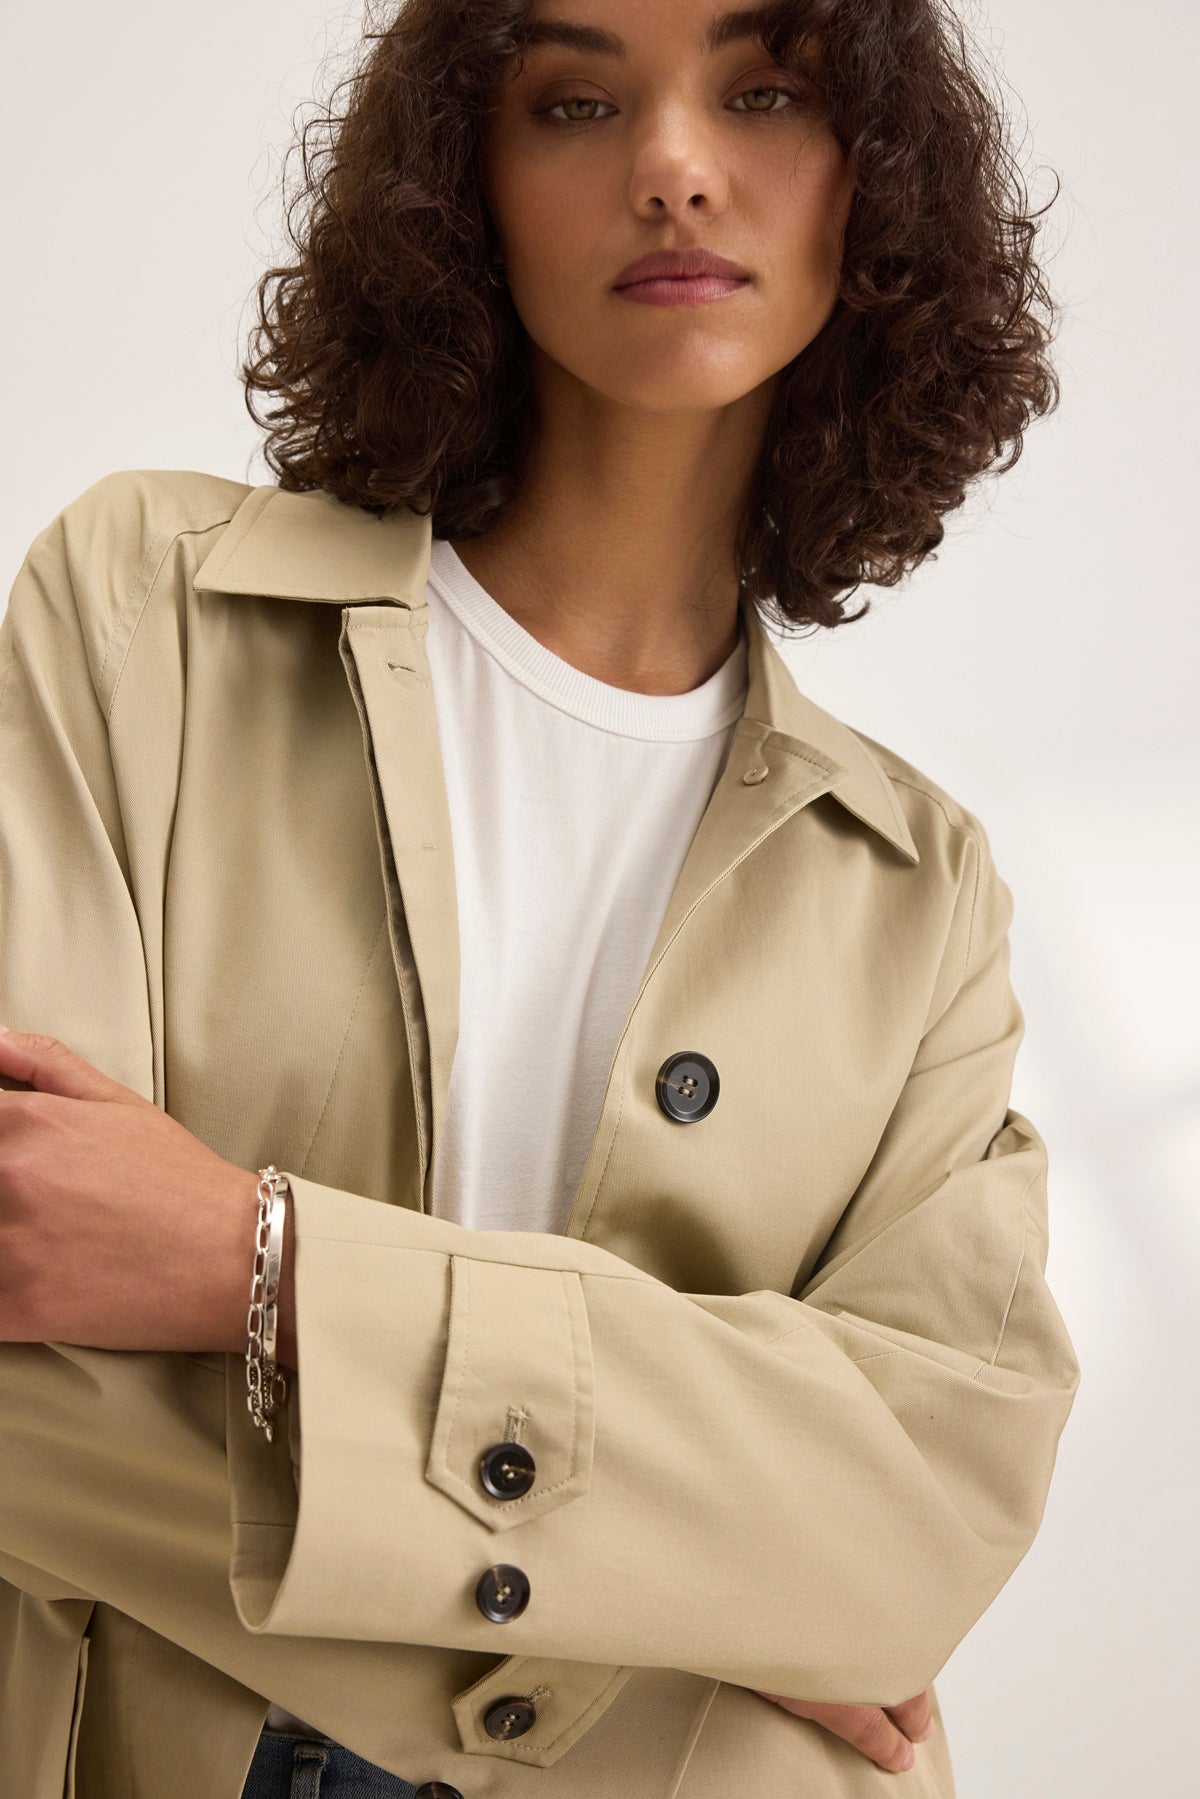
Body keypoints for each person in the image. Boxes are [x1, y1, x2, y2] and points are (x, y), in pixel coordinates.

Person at [0, 1, 1080, 1796]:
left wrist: (259, 1267)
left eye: (764, 93)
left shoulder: (918, 890)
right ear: (464, 186)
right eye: (575, 102)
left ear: (873, 196)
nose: (672, 164)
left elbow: (923, 1516)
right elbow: (25, 1344)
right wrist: (672, 1617)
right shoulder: (144, 620)